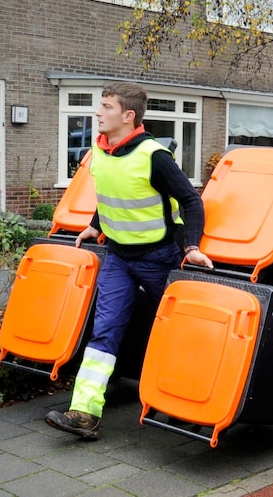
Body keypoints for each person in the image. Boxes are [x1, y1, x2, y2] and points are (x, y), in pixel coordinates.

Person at [46, 82, 213, 440]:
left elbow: (192, 201)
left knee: (176, 330)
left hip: (159, 257)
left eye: (106, 106)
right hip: (119, 257)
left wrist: (192, 248)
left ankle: (191, 403)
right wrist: (94, 225)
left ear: (128, 115)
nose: (98, 112)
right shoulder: (100, 151)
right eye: (100, 105)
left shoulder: (154, 156)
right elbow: (110, 193)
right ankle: (84, 413)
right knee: (104, 330)